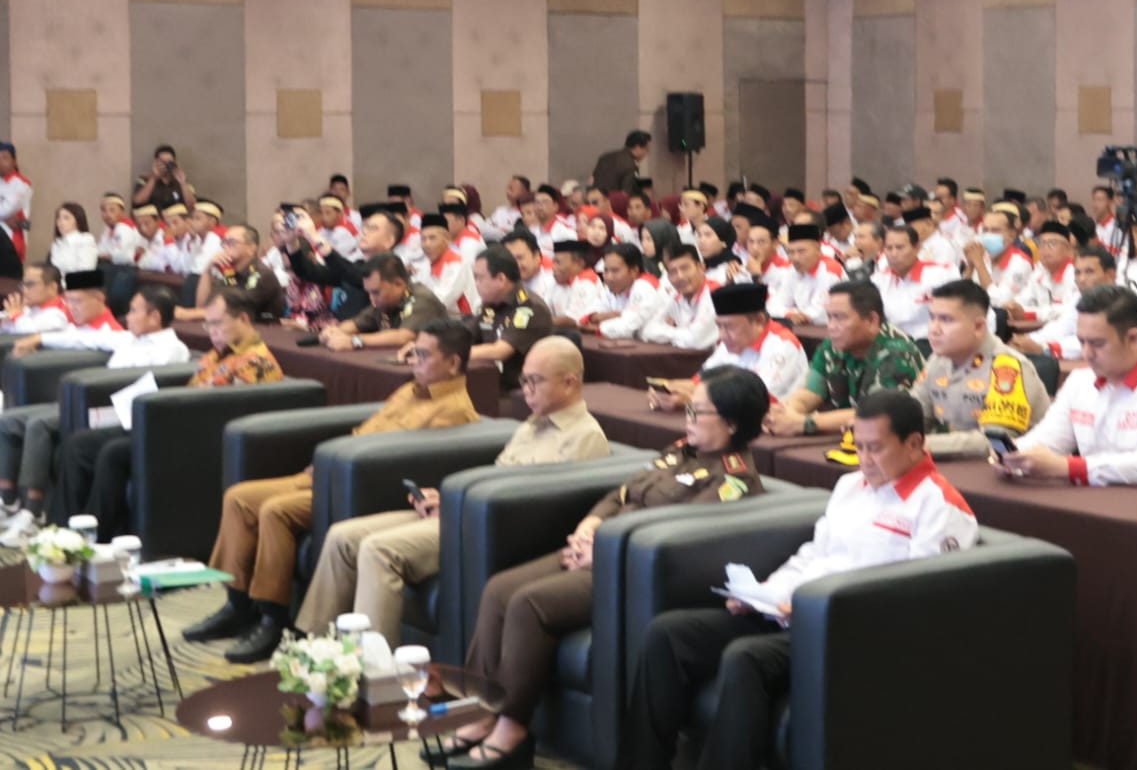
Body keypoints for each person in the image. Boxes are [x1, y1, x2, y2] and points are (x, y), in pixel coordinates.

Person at [621, 389, 976, 770]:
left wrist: (814, 608)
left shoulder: (939, 506)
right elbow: (813, 555)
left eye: (875, 448)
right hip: (791, 611)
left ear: (915, 444)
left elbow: (918, 598)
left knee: (745, 658)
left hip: (847, 632)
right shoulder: (851, 486)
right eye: (858, 446)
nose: (864, 459)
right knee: (668, 634)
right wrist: (764, 594)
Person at [444, 366, 768, 768]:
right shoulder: (681, 449)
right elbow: (622, 493)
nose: (688, 418)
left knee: (529, 603)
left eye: (698, 412)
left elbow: (677, 532)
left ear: (732, 423)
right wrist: (591, 524)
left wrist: (604, 551)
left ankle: (512, 728)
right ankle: (482, 710)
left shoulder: (734, 479)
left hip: (628, 571)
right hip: (598, 548)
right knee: (498, 589)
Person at [184, 319, 480, 662]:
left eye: (424, 355)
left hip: (355, 484)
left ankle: (274, 619)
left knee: (275, 511)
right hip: (332, 470)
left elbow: (402, 461)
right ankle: (236, 604)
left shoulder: (453, 410)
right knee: (238, 498)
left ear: (453, 363)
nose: (414, 361)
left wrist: (337, 467)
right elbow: (365, 431)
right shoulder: (410, 390)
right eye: (413, 353)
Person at [296, 337, 610, 644]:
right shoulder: (531, 424)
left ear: (569, 383)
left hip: (485, 528)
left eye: (535, 381)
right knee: (342, 537)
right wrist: (447, 501)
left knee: (378, 549)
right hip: (466, 512)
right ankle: (315, 649)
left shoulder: (584, 437)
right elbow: (496, 476)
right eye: (523, 380)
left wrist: (460, 508)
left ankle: (373, 668)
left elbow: (539, 510)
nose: (525, 390)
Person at [1000, 284, 1137, 495]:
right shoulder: (1080, 380)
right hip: (1109, 500)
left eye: (1097, 343)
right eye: (1082, 342)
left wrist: (1068, 467)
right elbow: (1047, 441)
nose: (1087, 354)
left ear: (1132, 338)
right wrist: (1007, 454)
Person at [44, 287, 207, 530]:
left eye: (133, 311)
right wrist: (38, 339)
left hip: (140, 418)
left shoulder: (172, 349)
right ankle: (63, 526)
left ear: (154, 317)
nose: (127, 317)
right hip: (110, 408)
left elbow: (151, 389)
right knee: (77, 443)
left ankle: (95, 530)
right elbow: (86, 337)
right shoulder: (129, 338)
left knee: (105, 451)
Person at [0, 270, 126, 534]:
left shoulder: (111, 331)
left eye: (78, 301)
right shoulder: (75, 326)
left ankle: (33, 511)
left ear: (99, 298)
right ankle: (7, 499)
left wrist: (38, 338)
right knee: (8, 420)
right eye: (68, 301)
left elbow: (82, 339)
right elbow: (70, 335)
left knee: (38, 425)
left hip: (93, 405)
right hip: (65, 398)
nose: (72, 308)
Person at [764, 281, 924, 438]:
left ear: (871, 320)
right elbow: (810, 392)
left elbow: (875, 415)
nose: (831, 326)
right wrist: (785, 414)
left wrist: (804, 423)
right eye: (829, 317)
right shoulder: (833, 346)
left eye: (840, 318)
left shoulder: (897, 351)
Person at [912, 279, 1047, 458]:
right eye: (932, 318)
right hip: (960, 465)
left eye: (946, 320)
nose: (933, 329)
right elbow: (913, 417)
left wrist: (917, 445)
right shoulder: (937, 360)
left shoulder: (1007, 367)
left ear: (978, 327)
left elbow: (996, 441)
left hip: (1015, 468)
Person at [652, 283, 808, 410]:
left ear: (759, 320)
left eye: (729, 327)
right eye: (719, 326)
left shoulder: (784, 346)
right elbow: (700, 382)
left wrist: (693, 400)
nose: (722, 335)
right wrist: (670, 389)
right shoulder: (730, 344)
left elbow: (755, 401)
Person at [284, 204, 403, 322]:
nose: (365, 231)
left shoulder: (391, 268)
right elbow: (308, 272)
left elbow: (354, 274)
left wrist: (314, 236)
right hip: (338, 327)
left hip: (362, 331)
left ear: (389, 241)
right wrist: (291, 242)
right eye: (365, 226)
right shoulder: (358, 264)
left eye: (373, 228)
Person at [457, 246, 553, 391]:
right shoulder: (492, 303)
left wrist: (453, 353)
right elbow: (466, 334)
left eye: (480, 278)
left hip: (525, 390)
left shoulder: (529, 307)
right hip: (492, 381)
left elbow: (500, 351)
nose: (476, 284)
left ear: (501, 279)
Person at [316, 253, 450, 352]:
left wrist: (355, 341)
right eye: (369, 292)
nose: (371, 298)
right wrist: (334, 332)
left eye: (376, 292)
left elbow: (403, 337)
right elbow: (357, 323)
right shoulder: (384, 301)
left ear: (398, 284)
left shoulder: (422, 299)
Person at [1013, 246, 1117, 360]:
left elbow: (1095, 341)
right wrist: (1026, 340)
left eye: (1089, 272)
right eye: (1077, 273)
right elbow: (1061, 327)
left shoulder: (1120, 303)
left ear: (1110, 275)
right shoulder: (1080, 297)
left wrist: (1047, 348)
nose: (1081, 279)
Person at [176, 224, 285, 323]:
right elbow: (203, 305)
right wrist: (208, 270)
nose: (225, 247)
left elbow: (233, 310)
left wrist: (186, 314)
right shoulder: (230, 273)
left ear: (251, 248)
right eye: (224, 242)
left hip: (263, 331)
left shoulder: (262, 274)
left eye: (231, 242)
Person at [872, 225, 957, 343]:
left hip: (933, 341)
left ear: (917, 248)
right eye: (889, 248)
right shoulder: (878, 280)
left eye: (900, 247)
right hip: (894, 344)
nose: (894, 253)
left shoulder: (942, 274)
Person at [584, 243, 661, 339]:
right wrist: (600, 317)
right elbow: (590, 314)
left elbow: (627, 326)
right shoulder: (612, 288)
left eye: (615, 271)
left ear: (634, 271)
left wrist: (597, 327)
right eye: (606, 270)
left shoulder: (644, 286)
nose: (609, 277)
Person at [773, 223, 842, 325]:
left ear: (818, 248)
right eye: (791, 252)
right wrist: (789, 314)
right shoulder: (792, 271)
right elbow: (774, 305)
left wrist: (794, 313)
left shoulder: (830, 270)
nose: (795, 258)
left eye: (801, 251)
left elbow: (820, 313)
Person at [1013, 220, 1079, 323]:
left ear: (1069, 250)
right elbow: (1021, 301)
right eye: (1042, 243)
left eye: (1053, 243)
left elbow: (1068, 311)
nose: (1046, 248)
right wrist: (1013, 308)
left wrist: (1031, 314)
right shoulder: (1039, 273)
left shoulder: (1075, 275)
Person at [416, 212, 476, 315]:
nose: (427, 244)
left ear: (447, 239)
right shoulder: (425, 263)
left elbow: (440, 301)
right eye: (423, 239)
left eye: (432, 238)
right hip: (437, 316)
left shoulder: (457, 264)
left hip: (462, 318)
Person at [546, 240, 604, 329]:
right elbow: (544, 308)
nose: (553, 267)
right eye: (553, 262)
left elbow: (572, 320)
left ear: (579, 263)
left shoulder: (587, 282)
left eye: (558, 262)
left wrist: (540, 322)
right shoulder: (559, 280)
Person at [0, 263, 71, 335]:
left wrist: (16, 315)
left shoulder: (64, 311)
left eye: (30, 284)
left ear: (52, 287)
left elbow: (30, 333)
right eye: (23, 285)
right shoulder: (28, 308)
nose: (24, 290)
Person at [591, 129, 652, 195]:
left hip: (594, 197)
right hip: (612, 200)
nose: (647, 152)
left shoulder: (605, 157)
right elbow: (626, 193)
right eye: (646, 149)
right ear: (637, 147)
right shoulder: (630, 166)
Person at [522, 185, 577, 257]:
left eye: (545, 202)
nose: (540, 207)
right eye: (537, 202)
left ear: (555, 206)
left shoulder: (565, 232)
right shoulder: (531, 231)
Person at [48, 203, 98, 274]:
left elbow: (85, 273)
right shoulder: (57, 243)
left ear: (78, 221)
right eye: (58, 218)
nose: (60, 222)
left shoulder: (86, 240)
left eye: (66, 218)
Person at [97, 193, 142, 266]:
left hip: (127, 267)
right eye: (104, 210)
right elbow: (101, 250)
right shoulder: (108, 228)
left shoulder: (125, 228)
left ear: (122, 212)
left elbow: (119, 255)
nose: (107, 214)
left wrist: (103, 256)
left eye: (112, 210)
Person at [484, 176, 533, 242]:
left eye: (511, 189)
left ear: (524, 191)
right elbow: (487, 226)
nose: (507, 191)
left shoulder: (529, 214)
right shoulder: (500, 211)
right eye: (508, 188)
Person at [696, 218, 740, 285]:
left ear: (724, 242)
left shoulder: (733, 268)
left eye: (708, 235)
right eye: (699, 235)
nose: (701, 240)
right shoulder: (701, 269)